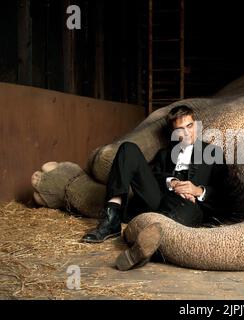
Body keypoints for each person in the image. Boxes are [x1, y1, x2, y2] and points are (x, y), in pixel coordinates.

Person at [81, 105, 228, 269]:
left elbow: (224, 192)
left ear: (197, 125)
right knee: (128, 148)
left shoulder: (213, 152)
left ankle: (144, 251)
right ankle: (112, 218)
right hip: (159, 199)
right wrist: (171, 182)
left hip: (190, 206)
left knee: (172, 220)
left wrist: (197, 191)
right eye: (179, 129)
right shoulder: (165, 154)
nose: (186, 133)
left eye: (189, 126)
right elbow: (153, 176)